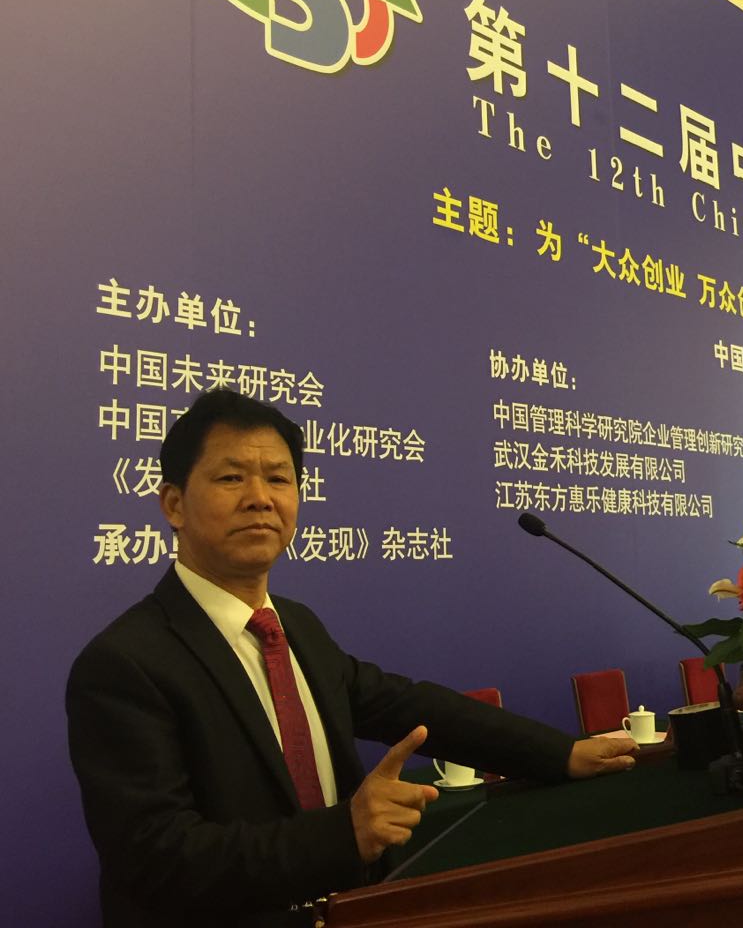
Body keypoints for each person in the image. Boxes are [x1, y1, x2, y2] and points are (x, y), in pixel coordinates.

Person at [67, 390, 636, 928]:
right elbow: (156, 859)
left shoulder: (296, 626)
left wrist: (559, 752)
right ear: (173, 504)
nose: (260, 497)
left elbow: (409, 706)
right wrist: (344, 835)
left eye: (279, 478)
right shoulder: (125, 663)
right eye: (231, 477)